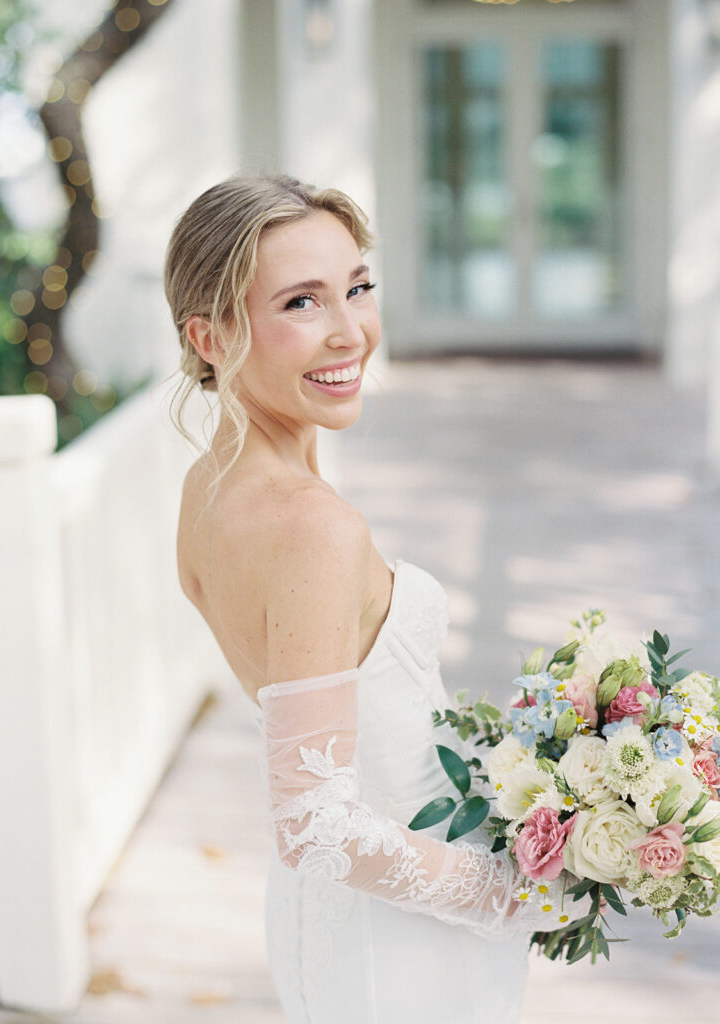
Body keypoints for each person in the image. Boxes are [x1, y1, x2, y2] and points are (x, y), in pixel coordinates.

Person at [164, 175, 556, 1023]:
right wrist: (506, 893)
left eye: (358, 287)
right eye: (302, 302)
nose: (351, 332)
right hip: (405, 937)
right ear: (211, 335)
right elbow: (313, 821)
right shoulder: (312, 527)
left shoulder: (210, 486)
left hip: (334, 918)